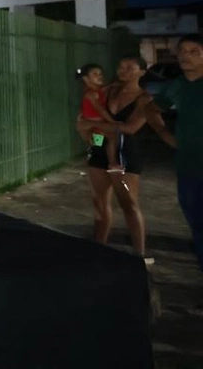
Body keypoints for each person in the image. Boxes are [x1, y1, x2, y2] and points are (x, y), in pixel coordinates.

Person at [84, 57, 153, 259]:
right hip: (99, 152)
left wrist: (94, 126)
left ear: (141, 72)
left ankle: (139, 254)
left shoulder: (144, 99)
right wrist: (93, 145)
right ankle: (99, 248)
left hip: (125, 156)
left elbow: (131, 128)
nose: (124, 71)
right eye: (121, 66)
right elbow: (92, 119)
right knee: (99, 202)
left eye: (130, 68)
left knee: (128, 203)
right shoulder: (108, 91)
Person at [153, 34, 203, 272]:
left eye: (194, 51)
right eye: (182, 51)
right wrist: (164, 134)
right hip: (188, 168)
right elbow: (151, 108)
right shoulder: (177, 85)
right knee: (198, 228)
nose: (185, 55)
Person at [75, 63, 122, 173]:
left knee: (99, 145)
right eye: (95, 74)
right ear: (86, 79)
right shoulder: (91, 94)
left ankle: (98, 160)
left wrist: (112, 85)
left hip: (94, 124)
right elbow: (101, 110)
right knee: (109, 139)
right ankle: (112, 163)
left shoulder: (97, 91)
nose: (99, 76)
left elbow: (105, 88)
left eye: (100, 74)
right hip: (95, 123)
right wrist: (112, 122)